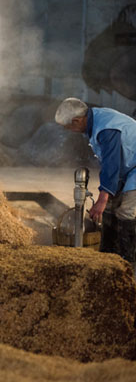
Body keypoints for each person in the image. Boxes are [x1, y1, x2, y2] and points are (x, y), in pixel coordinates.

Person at [55, 97, 136, 269]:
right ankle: (108, 255)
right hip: (128, 166)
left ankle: (128, 263)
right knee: (109, 210)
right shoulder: (95, 118)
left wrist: (102, 198)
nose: (70, 131)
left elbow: (111, 163)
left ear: (76, 121)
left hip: (133, 167)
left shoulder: (106, 128)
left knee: (126, 211)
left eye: (68, 127)